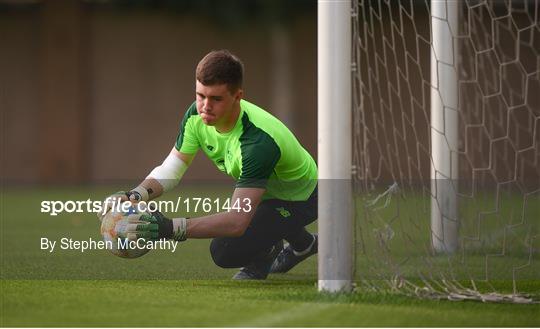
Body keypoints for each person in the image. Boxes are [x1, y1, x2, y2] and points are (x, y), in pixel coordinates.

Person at [101, 50, 318, 280]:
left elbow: (236, 221)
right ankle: (304, 244)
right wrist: (134, 195)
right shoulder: (196, 116)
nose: (205, 106)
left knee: (224, 250)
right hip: (268, 193)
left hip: (302, 198)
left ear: (238, 96)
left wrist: (168, 228)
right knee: (263, 215)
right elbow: (172, 169)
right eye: (200, 95)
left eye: (216, 99)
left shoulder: (258, 142)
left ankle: (267, 251)